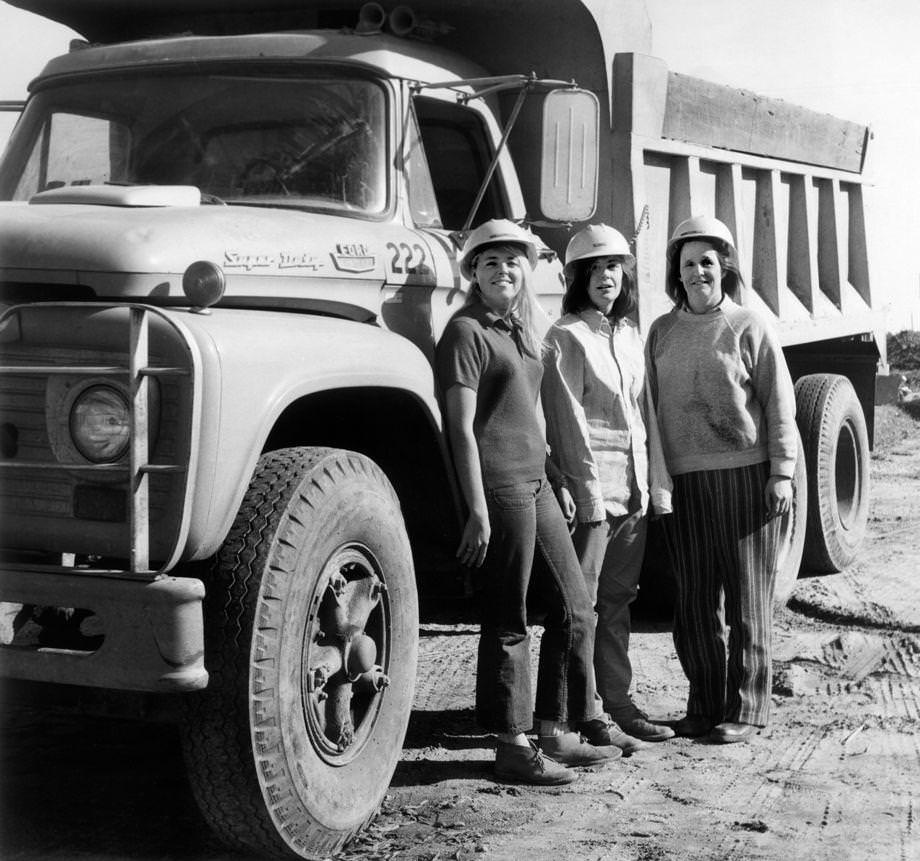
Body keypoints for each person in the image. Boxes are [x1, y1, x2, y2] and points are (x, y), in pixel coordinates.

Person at [435, 219, 620, 784]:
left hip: (536, 483)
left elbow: (528, 412)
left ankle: (552, 728)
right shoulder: (466, 332)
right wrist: (476, 508)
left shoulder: (518, 330)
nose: (503, 270)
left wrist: (556, 473)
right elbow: (460, 429)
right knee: (509, 617)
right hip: (500, 489)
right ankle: (512, 745)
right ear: (472, 272)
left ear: (527, 269)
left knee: (575, 606)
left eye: (512, 261)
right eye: (490, 262)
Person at [645, 215, 797, 744]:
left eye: (707, 261)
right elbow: (650, 409)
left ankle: (749, 710)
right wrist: (658, 482)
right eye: (688, 263)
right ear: (676, 272)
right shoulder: (661, 331)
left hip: (746, 479)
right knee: (692, 605)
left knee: (748, 601)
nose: (697, 272)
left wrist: (782, 472)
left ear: (724, 267)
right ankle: (704, 705)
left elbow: (780, 404)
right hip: (685, 485)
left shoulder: (748, 326)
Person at [541, 224, 675, 752]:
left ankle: (619, 705)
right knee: (583, 606)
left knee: (619, 602)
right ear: (576, 278)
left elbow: (645, 418)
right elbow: (567, 423)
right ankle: (584, 714)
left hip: (634, 493)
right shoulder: (566, 338)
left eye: (614, 267)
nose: (606, 277)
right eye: (594, 270)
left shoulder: (629, 336)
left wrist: (654, 488)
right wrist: (589, 499)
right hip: (594, 499)